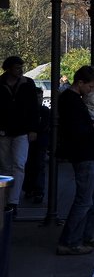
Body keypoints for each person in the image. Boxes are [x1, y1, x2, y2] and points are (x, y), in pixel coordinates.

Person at [57, 65, 94, 255]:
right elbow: (78, 131)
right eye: (89, 87)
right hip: (83, 154)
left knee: (92, 199)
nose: (91, 91)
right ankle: (70, 241)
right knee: (84, 200)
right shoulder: (71, 101)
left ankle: (85, 235)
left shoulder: (74, 99)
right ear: (80, 83)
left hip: (88, 153)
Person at [0, 56, 39, 216]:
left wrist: (32, 128)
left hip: (18, 130)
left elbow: (33, 108)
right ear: (8, 69)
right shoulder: (26, 84)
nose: (21, 70)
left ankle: (12, 200)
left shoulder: (27, 84)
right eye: (18, 68)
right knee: (10, 165)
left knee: (15, 165)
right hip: (9, 129)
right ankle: (9, 200)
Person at [22, 87, 49, 204]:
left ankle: (35, 189)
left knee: (37, 165)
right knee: (32, 165)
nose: (39, 99)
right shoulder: (40, 110)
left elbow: (45, 125)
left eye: (40, 97)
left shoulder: (43, 110)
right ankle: (33, 189)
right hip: (37, 140)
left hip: (37, 140)